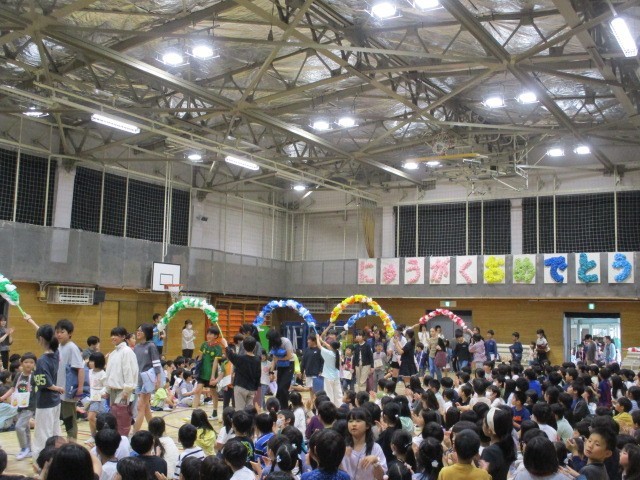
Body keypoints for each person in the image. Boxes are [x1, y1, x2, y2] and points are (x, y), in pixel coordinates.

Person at [32, 324, 63, 461]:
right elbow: (47, 336)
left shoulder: (41, 361)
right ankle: (59, 459)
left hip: (45, 402)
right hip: (56, 402)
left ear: (41, 339)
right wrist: (31, 322)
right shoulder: (56, 353)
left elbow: (45, 383)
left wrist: (57, 388)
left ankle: (41, 462)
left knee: (42, 435)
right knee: (55, 433)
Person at [55, 318, 85, 442]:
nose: (59, 334)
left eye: (62, 332)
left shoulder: (72, 347)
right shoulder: (58, 346)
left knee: (69, 418)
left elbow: (80, 369)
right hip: (58, 389)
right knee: (61, 417)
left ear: (70, 333)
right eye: (57, 332)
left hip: (68, 389)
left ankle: (72, 442)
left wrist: (80, 388)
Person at [104, 327, 138, 437]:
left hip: (122, 391)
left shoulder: (127, 352)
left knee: (122, 419)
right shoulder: (113, 353)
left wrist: (127, 390)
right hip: (113, 390)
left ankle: (123, 441)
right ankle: (115, 440)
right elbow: (109, 373)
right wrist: (107, 390)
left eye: (116, 335)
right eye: (112, 335)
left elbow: (129, 371)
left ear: (123, 337)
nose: (113, 337)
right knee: (113, 418)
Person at [341, 408, 387, 480]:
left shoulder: (375, 448)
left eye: (358, 421)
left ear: (367, 426)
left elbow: (381, 477)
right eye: (350, 421)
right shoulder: (342, 447)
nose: (353, 424)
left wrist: (375, 462)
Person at [133, 323, 162, 432]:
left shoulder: (151, 346)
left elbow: (156, 363)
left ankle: (134, 433)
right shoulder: (136, 347)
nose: (138, 332)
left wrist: (158, 378)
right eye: (137, 330)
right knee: (145, 408)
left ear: (147, 333)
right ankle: (155, 431)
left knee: (140, 407)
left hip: (148, 381)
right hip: (138, 380)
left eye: (141, 330)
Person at [192, 326, 227, 412]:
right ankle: (194, 412)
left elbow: (215, 362)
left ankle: (215, 411)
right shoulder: (204, 344)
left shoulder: (218, 348)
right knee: (197, 390)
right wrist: (196, 369)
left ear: (216, 336)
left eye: (211, 334)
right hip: (202, 373)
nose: (208, 335)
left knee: (213, 392)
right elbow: (200, 357)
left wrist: (212, 376)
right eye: (208, 333)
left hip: (211, 374)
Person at [481, 407, 517, 480]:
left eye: (484, 423)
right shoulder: (509, 443)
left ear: (490, 430)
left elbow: (482, 476)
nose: (482, 425)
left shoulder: (489, 451)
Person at [226, 335, 261, 410]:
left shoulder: (240, 358)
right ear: (255, 347)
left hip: (240, 386)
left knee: (240, 411)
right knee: (249, 411)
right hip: (251, 389)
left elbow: (230, 355)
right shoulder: (257, 360)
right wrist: (256, 388)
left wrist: (226, 345)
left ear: (244, 347)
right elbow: (258, 375)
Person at [267, 330, 294, 409]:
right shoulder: (274, 345)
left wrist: (279, 359)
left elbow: (289, 356)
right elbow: (274, 359)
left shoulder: (286, 341)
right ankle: (278, 407)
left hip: (289, 366)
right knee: (279, 388)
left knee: (283, 387)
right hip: (280, 366)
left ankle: (285, 408)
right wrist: (271, 372)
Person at [318, 326, 342, 406]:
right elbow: (329, 346)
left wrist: (317, 338)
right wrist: (322, 340)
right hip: (336, 376)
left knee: (329, 394)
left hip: (328, 377)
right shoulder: (338, 352)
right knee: (338, 393)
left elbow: (319, 346)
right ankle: (339, 407)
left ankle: (330, 407)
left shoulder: (328, 353)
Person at [87, 351, 108, 443]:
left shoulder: (103, 374)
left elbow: (106, 386)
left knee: (91, 417)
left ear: (98, 362)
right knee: (91, 418)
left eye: (92, 361)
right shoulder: (89, 372)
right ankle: (94, 436)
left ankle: (101, 433)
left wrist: (100, 393)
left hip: (99, 398)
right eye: (90, 361)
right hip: (90, 397)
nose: (90, 363)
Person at [301, 335, 324, 401]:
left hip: (316, 373)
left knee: (316, 389)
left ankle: (317, 401)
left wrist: (320, 371)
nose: (308, 341)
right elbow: (303, 361)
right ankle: (312, 401)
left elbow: (322, 362)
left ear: (314, 341)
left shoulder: (319, 350)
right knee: (310, 388)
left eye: (309, 340)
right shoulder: (306, 350)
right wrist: (301, 371)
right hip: (308, 373)